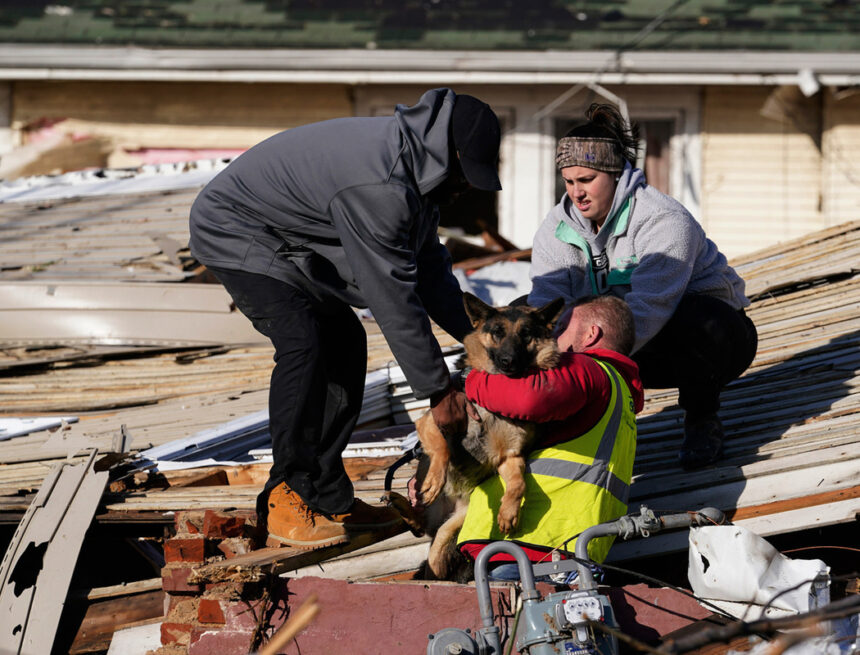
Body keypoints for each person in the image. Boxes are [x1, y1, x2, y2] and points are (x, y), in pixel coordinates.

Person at [188, 88, 502, 548]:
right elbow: (393, 296)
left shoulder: (418, 174)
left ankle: (327, 496)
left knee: (346, 342)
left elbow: (431, 275)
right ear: (447, 154)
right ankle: (287, 493)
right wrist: (438, 390)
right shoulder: (382, 186)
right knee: (304, 341)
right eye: (464, 175)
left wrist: (487, 339)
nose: (464, 189)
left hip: (288, 238)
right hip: (234, 229)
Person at [528, 103, 758, 470]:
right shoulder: (556, 228)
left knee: (701, 319)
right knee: (524, 316)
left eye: (586, 180)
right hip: (615, 344)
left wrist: (585, 376)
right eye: (569, 182)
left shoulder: (662, 219)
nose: (577, 193)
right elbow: (548, 307)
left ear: (615, 174)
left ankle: (702, 421)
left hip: (699, 342)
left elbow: (651, 308)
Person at [456, 295, 644, 578]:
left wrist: (471, 377)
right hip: (564, 549)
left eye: (564, 325)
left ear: (591, 334)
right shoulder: (619, 391)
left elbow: (526, 401)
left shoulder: (584, 369)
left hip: (531, 544)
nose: (553, 334)